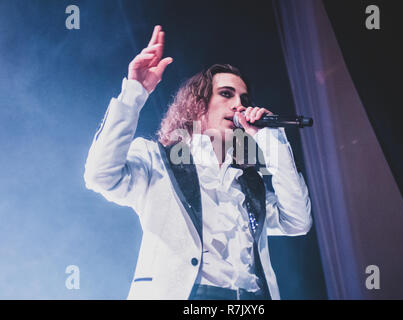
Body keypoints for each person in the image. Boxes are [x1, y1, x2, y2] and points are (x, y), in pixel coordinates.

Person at [84, 25, 312, 300]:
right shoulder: (158, 161)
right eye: (226, 94)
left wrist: (274, 142)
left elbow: (297, 222)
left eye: (244, 98)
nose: (239, 104)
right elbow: (100, 175)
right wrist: (135, 93)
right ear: (198, 104)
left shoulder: (248, 181)